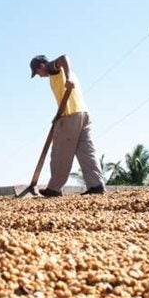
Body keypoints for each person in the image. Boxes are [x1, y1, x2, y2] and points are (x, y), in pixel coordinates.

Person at [29, 54, 105, 197]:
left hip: (70, 117)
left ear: (41, 66)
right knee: (86, 152)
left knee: (59, 152)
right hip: (83, 114)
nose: (39, 76)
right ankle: (96, 185)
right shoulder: (59, 75)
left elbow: (63, 57)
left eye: (38, 73)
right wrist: (57, 115)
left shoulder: (54, 69)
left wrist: (68, 77)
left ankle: (54, 188)